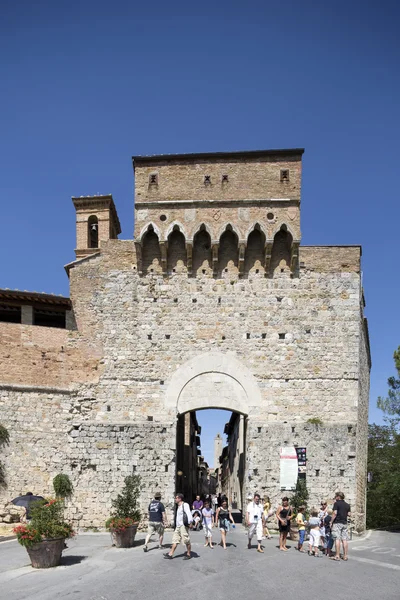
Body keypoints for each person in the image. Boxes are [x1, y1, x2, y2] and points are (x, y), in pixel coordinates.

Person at [164, 493, 192, 560]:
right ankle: (170, 554)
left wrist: (190, 522)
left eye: (176, 498)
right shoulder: (178, 506)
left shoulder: (185, 505)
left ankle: (188, 554)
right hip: (178, 526)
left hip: (183, 526)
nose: (175, 499)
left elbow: (188, 513)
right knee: (175, 540)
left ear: (180, 499)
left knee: (186, 540)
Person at [330, 491, 351, 562]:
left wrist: (331, 522)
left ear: (338, 497)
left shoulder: (336, 504)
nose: (335, 498)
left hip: (337, 523)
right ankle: (345, 556)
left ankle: (337, 555)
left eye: (336, 496)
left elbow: (335, 513)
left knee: (337, 539)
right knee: (344, 539)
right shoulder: (347, 505)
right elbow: (349, 514)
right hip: (344, 523)